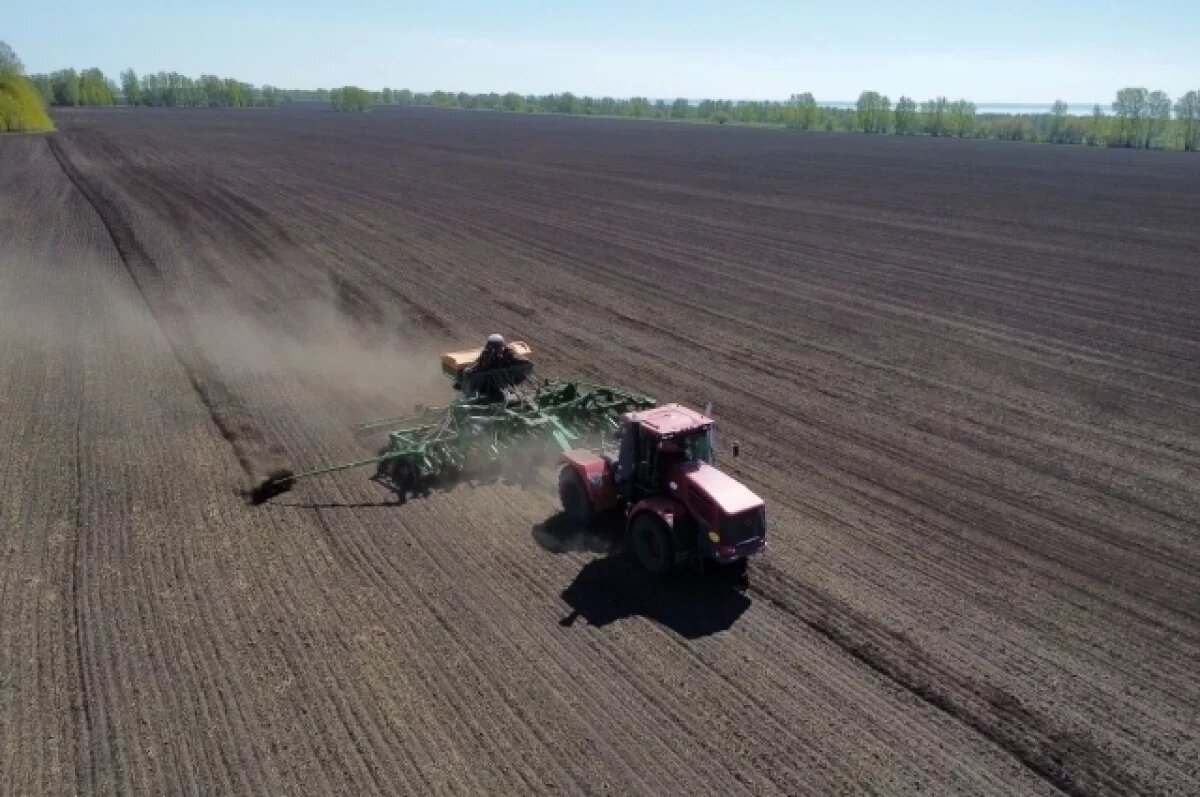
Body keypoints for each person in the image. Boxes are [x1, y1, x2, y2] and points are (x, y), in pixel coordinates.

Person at [461, 333, 531, 399]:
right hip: (499, 381)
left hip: (493, 383)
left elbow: (481, 366)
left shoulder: (494, 353)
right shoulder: (498, 353)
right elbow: (481, 365)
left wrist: (470, 371)